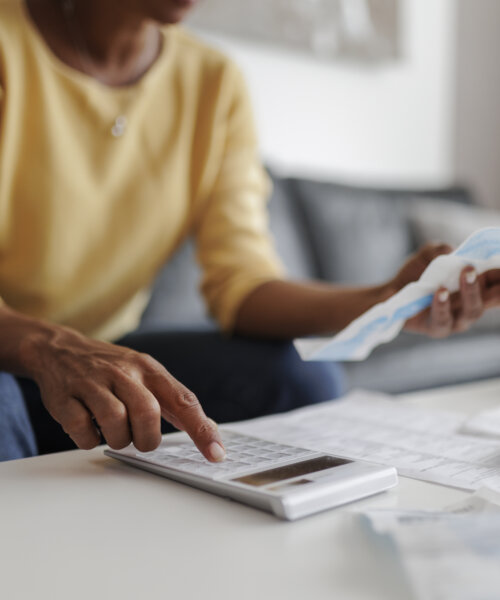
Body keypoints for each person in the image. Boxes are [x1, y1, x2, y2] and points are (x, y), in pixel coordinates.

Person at [1, 0, 499, 463]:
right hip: (12, 351)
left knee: (304, 380)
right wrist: (49, 347)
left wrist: (388, 300)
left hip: (107, 351)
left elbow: (243, 285)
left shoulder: (213, 81)